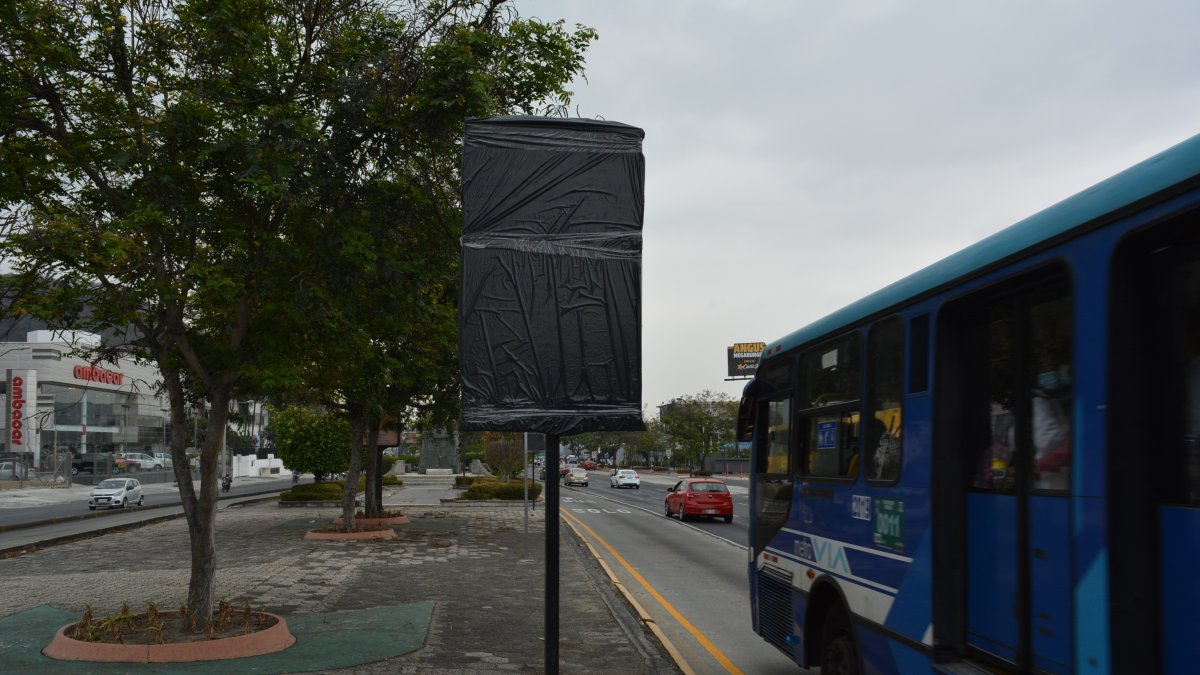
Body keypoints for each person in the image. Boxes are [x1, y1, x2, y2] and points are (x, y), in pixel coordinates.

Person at [1031, 349, 1071, 490]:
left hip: (1055, 477)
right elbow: (1046, 440)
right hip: (1048, 483)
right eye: (1049, 369)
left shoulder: (1051, 401)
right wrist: (1071, 429)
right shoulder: (1037, 403)